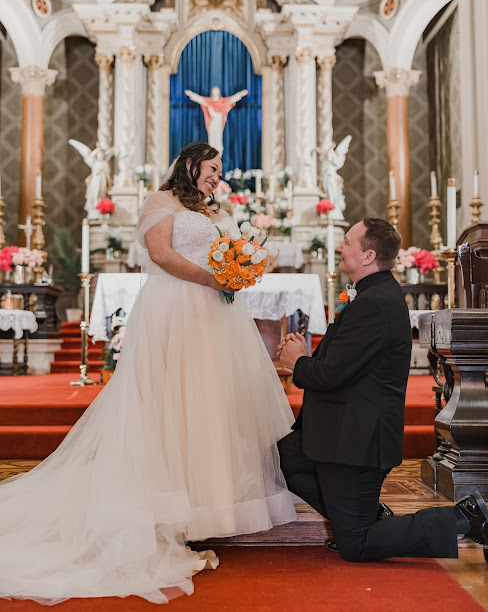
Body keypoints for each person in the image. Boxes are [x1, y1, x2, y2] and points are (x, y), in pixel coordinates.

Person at [0, 141, 295, 604]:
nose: (217, 177)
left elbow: (233, 253)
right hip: (173, 311)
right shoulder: (161, 202)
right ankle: (167, 507)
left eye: (221, 171)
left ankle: (209, 509)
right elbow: (162, 255)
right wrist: (216, 279)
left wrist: (242, 271)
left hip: (218, 318)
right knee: (172, 404)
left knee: (212, 405)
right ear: (191, 165)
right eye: (212, 169)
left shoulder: (219, 208)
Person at [277, 217, 488, 562]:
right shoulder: (374, 295)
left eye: (346, 242)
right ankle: (369, 517)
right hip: (338, 429)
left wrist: (297, 361)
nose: (339, 248)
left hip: (354, 443)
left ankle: (463, 518)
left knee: (355, 545)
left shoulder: (374, 304)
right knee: (283, 459)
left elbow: (330, 374)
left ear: (368, 255)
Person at [184, 86, 248, 154]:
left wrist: (240, 94)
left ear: (219, 92)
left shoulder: (223, 102)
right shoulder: (208, 102)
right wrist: (191, 94)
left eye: (216, 90)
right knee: (211, 139)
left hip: (219, 123)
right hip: (212, 123)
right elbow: (200, 99)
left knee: (218, 139)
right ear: (211, 92)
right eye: (214, 90)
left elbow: (232, 99)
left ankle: (218, 155)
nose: (215, 91)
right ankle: (211, 155)